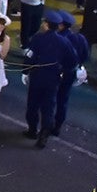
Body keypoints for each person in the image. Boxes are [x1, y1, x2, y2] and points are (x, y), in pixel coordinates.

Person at [22, 10, 68, 147]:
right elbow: (72, 59)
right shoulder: (63, 42)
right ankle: (44, 134)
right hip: (53, 79)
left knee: (33, 104)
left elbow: (30, 56)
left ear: (47, 24)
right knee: (48, 107)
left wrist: (25, 71)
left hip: (37, 76)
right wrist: (62, 69)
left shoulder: (38, 38)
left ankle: (32, 130)